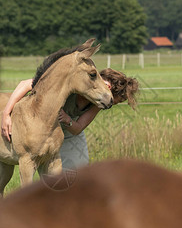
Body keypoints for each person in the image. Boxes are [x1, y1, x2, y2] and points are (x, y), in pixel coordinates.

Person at [1, 68, 138, 170]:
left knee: (77, 173)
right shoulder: (73, 84)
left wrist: (67, 120)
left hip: (66, 133)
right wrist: (6, 113)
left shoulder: (98, 104)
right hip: (37, 126)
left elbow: (78, 128)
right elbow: (25, 84)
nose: (110, 104)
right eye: (114, 100)